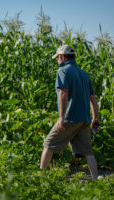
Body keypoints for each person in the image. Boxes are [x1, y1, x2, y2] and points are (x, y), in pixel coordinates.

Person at [40, 45, 101, 180]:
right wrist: (95, 117)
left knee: (48, 144)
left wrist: (61, 118)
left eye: (58, 58)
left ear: (62, 57)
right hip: (84, 119)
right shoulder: (84, 74)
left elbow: (63, 92)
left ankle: (40, 178)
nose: (57, 61)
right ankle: (96, 180)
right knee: (88, 152)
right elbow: (93, 98)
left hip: (70, 118)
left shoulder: (63, 71)